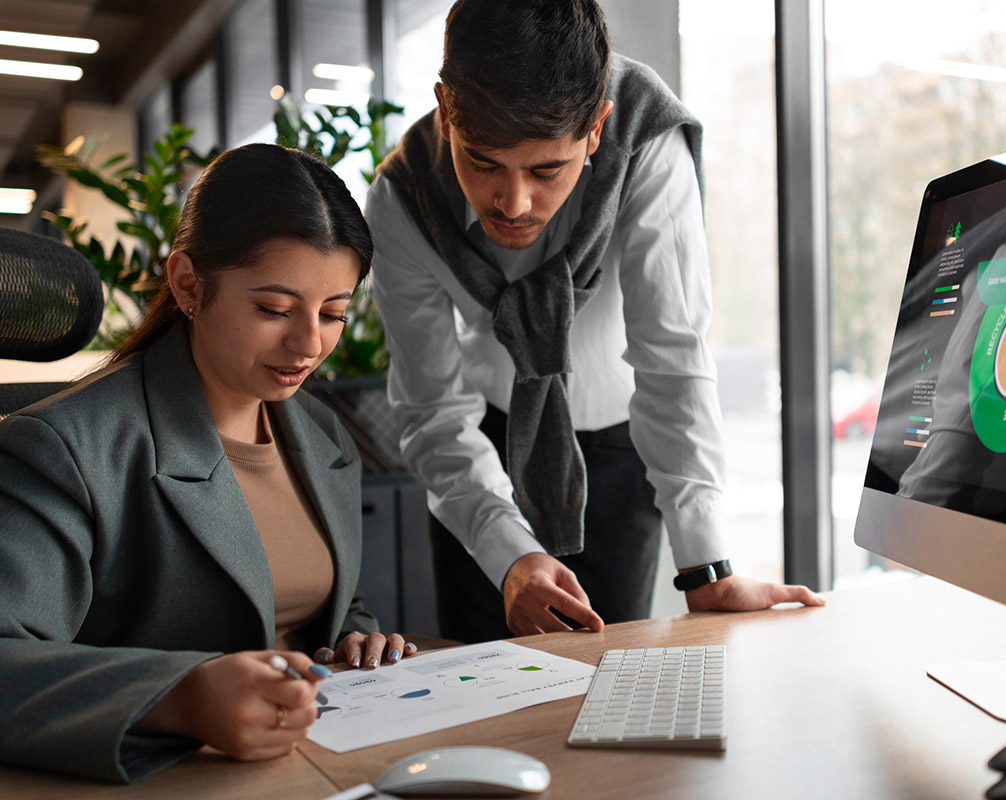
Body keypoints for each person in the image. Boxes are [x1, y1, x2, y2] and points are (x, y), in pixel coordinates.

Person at [366, 0, 824, 644]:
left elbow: (673, 356)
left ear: (597, 127)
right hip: (480, 450)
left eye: (546, 170)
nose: (514, 204)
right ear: (445, 111)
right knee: (482, 679)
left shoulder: (647, 139)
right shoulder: (401, 199)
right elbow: (433, 409)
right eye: (484, 163)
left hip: (621, 445)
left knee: (616, 668)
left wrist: (708, 568)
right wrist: (509, 554)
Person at [0, 143, 415, 784]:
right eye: (274, 309)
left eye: (333, 313)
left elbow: (324, 603)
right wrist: (180, 696)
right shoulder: (63, 449)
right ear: (189, 284)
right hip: (172, 776)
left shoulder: (323, 436)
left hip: (320, 757)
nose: (309, 344)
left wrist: (357, 639)